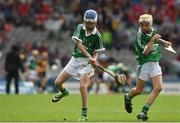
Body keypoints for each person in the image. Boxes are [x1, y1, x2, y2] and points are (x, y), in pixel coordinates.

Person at [51, 9, 105, 121]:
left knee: (82, 86)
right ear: (84, 21)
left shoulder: (98, 36)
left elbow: (96, 52)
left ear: (95, 22)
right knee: (57, 83)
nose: (89, 25)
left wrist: (94, 59)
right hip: (75, 60)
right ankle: (64, 92)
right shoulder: (80, 27)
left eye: (92, 23)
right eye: (88, 23)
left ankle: (84, 114)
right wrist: (90, 56)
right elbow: (79, 44)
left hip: (87, 64)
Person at [124, 14, 172, 121]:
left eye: (146, 25)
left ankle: (143, 111)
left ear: (150, 24)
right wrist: (152, 39)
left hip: (154, 63)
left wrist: (164, 42)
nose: (144, 27)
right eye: (142, 25)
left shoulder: (153, 30)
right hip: (144, 64)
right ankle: (128, 97)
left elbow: (156, 39)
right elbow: (145, 52)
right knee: (139, 90)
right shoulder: (139, 36)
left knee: (158, 87)